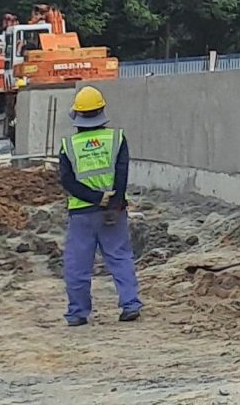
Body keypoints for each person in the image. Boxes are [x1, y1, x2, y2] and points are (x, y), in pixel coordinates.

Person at [56, 85, 142, 326]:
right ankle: (130, 304)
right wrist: (113, 202)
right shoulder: (116, 138)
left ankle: (77, 313)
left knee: (78, 264)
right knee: (120, 257)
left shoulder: (68, 145)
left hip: (82, 213)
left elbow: (66, 180)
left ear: (77, 115)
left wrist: (94, 198)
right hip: (113, 211)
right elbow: (122, 173)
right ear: (102, 111)